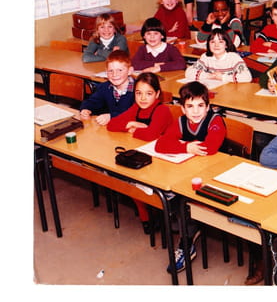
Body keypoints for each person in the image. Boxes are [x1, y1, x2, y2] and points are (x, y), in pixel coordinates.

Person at [156, 81, 227, 274]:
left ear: (208, 107)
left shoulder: (215, 121)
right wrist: (186, 147)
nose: (195, 111)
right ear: (182, 108)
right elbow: (160, 145)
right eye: (190, 106)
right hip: (192, 171)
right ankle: (188, 231)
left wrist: (183, 146)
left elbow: (209, 148)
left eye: (200, 105)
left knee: (181, 200)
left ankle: (186, 240)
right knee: (172, 193)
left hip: (217, 174)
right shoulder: (181, 122)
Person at [107, 72, 173, 140]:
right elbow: (111, 124)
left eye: (149, 94)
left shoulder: (162, 110)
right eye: (139, 93)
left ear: (157, 94)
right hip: (141, 143)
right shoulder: (136, 107)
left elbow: (151, 135)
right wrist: (131, 124)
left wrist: (134, 130)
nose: (143, 98)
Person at [79, 50, 135, 125]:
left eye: (120, 70)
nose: (114, 74)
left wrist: (111, 117)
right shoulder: (105, 87)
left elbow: (135, 115)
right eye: (110, 71)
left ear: (130, 71)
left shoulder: (139, 90)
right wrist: (86, 109)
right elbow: (93, 101)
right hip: (109, 128)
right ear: (106, 72)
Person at [184, 28, 252, 83]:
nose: (216, 45)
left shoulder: (233, 58)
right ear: (208, 44)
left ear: (226, 45)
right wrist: (209, 76)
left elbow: (247, 77)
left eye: (221, 42)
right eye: (212, 42)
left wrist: (223, 77)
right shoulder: (206, 57)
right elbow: (189, 72)